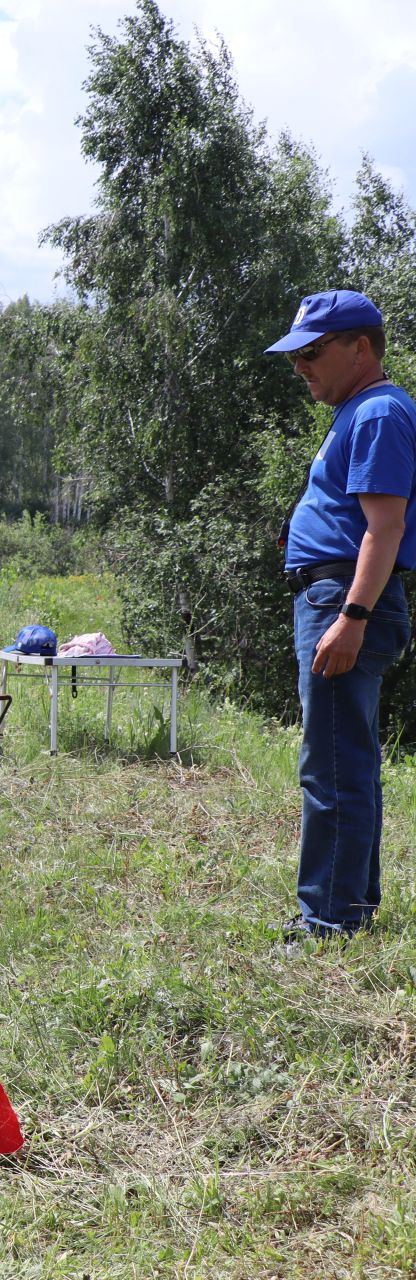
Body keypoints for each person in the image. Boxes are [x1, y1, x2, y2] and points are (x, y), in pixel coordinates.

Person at [272, 290, 416, 943]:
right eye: (295, 355)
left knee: (331, 762)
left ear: (361, 347)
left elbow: (385, 526)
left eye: (312, 352)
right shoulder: (361, 410)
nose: (300, 366)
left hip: (343, 602)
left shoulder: (380, 410)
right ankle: (348, 908)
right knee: (346, 759)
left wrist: (353, 613)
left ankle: (326, 921)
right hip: (334, 595)